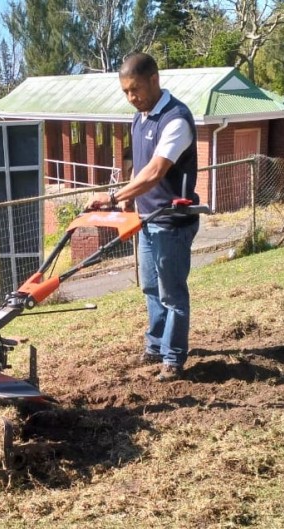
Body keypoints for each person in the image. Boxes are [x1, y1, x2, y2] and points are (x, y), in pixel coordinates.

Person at [90, 52, 200, 382]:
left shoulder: (176, 119)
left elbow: (154, 171)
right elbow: (139, 167)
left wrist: (113, 197)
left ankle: (173, 358)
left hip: (172, 221)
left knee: (172, 294)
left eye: (135, 89)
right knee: (151, 288)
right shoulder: (139, 119)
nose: (131, 97)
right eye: (125, 91)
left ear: (154, 80)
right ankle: (155, 345)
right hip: (147, 219)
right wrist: (129, 203)